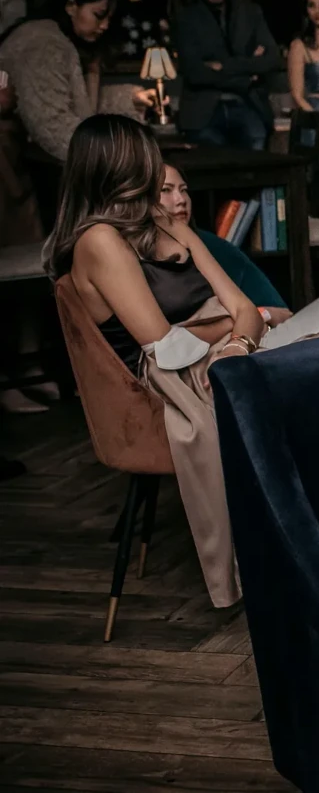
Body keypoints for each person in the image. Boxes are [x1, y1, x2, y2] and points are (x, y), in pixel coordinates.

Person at [44, 115, 265, 608]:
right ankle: (273, 560)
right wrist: (229, 332)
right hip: (162, 383)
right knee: (282, 396)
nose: (153, 164)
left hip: (216, 351)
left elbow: (246, 308)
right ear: (121, 166)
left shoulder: (164, 224)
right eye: (145, 154)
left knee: (312, 369)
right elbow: (166, 346)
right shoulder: (98, 240)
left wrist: (238, 341)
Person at [0, 0, 154, 162]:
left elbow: (77, 102)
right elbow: (51, 125)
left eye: (109, 19)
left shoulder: (62, 41)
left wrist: (131, 98)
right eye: (99, 15)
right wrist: (113, 158)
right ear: (71, 6)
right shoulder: (43, 44)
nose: (105, 25)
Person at [158, 162, 293, 330]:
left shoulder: (211, 246)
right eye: (166, 190)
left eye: (184, 190)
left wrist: (257, 316)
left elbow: (281, 315)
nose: (181, 200)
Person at [174, 0, 282, 150]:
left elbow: (272, 59)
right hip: (204, 112)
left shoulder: (251, 13)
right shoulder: (185, 18)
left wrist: (225, 65)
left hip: (248, 105)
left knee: (258, 162)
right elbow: (194, 72)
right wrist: (246, 77)